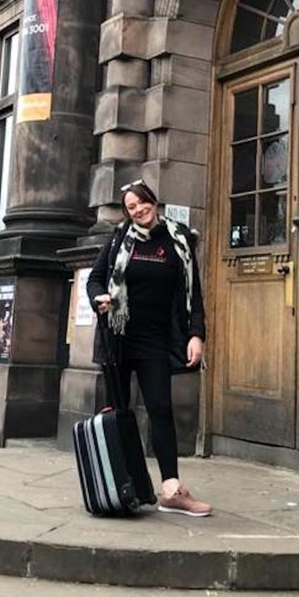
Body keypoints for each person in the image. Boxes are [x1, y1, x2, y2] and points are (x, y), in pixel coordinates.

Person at [87, 180, 212, 517]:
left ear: (154, 202)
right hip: (119, 337)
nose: (138, 210)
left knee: (161, 409)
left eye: (142, 203)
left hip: (156, 339)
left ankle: (171, 489)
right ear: (127, 212)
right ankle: (121, 486)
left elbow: (194, 293)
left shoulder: (179, 239)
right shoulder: (118, 239)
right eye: (131, 207)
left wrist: (196, 334)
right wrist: (99, 297)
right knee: (118, 411)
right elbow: (95, 279)